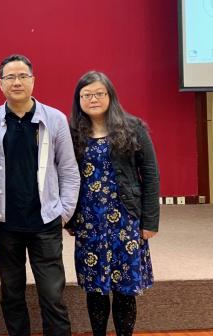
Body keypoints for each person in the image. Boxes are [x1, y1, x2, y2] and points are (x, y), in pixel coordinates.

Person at [0, 54, 79, 336]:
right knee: (11, 294)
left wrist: (64, 212)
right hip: (5, 223)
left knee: (52, 295)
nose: (17, 82)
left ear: (33, 81)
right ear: (0, 84)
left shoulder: (55, 119)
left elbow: (69, 170)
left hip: (45, 222)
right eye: (10, 77)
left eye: (23, 76)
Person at [67, 71, 159, 336]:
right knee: (95, 289)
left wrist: (150, 221)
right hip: (89, 222)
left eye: (99, 93)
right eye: (86, 95)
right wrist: (70, 218)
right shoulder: (72, 133)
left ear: (110, 96)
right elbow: (66, 176)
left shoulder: (133, 128)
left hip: (126, 221)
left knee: (124, 289)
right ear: (79, 100)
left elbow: (150, 174)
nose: (93, 99)